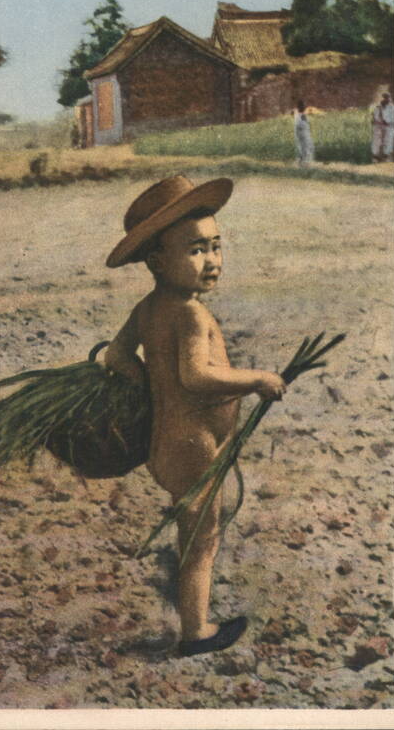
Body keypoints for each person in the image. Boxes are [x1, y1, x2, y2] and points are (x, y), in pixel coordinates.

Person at [104, 175, 286, 656]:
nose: (212, 261)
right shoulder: (189, 314)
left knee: (199, 529)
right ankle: (195, 631)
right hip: (194, 447)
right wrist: (256, 380)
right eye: (196, 250)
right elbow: (196, 379)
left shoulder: (149, 308)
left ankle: (193, 622)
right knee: (202, 539)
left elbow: (116, 356)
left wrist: (146, 384)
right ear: (158, 262)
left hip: (169, 445)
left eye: (216, 246)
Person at [371, 92, 394, 162]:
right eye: (384, 98)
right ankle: (375, 156)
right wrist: (377, 121)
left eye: (387, 98)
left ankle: (386, 156)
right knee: (376, 139)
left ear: (389, 98)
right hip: (378, 126)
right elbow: (374, 118)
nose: (386, 99)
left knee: (388, 138)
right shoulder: (378, 107)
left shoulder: (393, 108)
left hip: (389, 126)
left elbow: (393, 119)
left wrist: (386, 122)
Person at [294, 100, 315, 166]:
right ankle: (304, 163)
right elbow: (301, 125)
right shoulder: (300, 116)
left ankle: (302, 162)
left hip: (302, 133)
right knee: (306, 147)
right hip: (303, 133)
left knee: (304, 147)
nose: (304, 107)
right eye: (303, 106)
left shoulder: (300, 115)